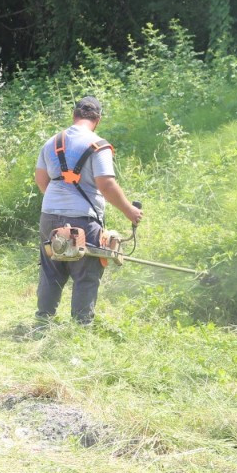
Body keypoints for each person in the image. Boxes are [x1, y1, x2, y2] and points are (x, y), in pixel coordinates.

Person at [33, 96, 142, 325]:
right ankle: (81, 326)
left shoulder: (52, 142)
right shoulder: (99, 145)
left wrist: (58, 205)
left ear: (74, 115)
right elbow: (106, 184)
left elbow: (41, 180)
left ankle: (43, 321)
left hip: (49, 215)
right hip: (83, 219)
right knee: (86, 273)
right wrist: (129, 211)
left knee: (51, 269)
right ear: (98, 119)